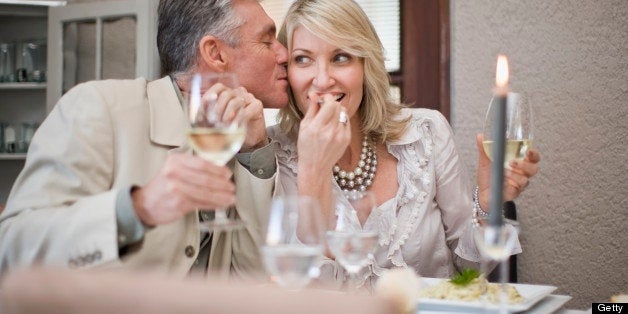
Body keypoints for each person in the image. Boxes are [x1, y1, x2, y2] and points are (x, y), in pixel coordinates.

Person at [0, 0, 288, 278]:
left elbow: (250, 278)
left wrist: (255, 152)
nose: (284, 54)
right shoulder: (98, 107)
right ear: (216, 54)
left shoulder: (243, 138)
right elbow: (12, 250)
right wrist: (138, 208)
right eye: (267, 41)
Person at [269, 0, 541, 288]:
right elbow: (303, 295)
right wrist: (314, 169)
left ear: (365, 64)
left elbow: (474, 271)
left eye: (341, 57)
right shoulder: (271, 156)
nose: (322, 80)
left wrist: (487, 204)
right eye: (302, 59)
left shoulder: (426, 132)